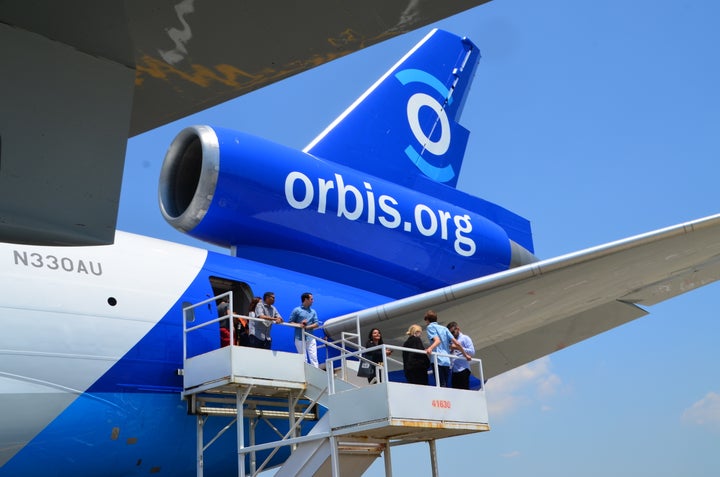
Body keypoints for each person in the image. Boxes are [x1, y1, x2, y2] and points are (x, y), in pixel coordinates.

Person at [423, 310, 470, 387]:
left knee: (441, 384)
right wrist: (466, 355)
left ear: (427, 320)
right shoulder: (444, 328)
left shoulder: (430, 327)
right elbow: (457, 343)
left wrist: (430, 348)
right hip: (447, 361)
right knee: (444, 383)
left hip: (437, 359)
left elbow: (437, 341)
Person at [288, 292, 320, 367]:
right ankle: (306, 375)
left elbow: (316, 323)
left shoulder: (313, 311)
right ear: (306, 299)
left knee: (314, 357)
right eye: (311, 299)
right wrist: (300, 325)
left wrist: (306, 327)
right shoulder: (297, 310)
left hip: (310, 337)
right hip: (299, 338)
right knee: (303, 358)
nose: (313, 301)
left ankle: (316, 375)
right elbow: (290, 322)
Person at [447, 321, 475, 389]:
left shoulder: (465, 338)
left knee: (464, 391)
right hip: (454, 370)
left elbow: (472, 352)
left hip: (463, 369)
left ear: (458, 329)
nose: (452, 335)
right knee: (456, 394)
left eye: (453, 332)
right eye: (450, 334)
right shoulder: (451, 341)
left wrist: (458, 348)